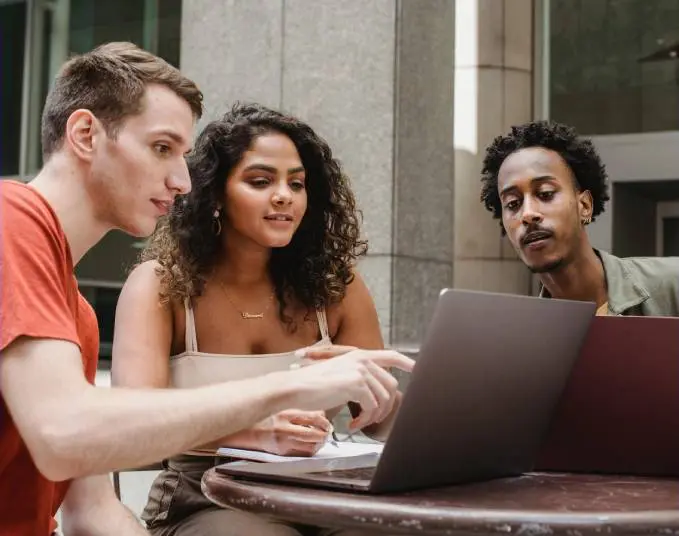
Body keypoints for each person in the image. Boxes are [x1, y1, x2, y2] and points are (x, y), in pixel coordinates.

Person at [0, 43, 413, 536]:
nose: (181, 181)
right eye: (161, 148)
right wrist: (292, 387)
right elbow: (63, 434)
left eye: (183, 156)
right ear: (86, 134)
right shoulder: (11, 217)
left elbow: (92, 513)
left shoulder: (78, 315)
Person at [111, 103, 402, 536]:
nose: (284, 195)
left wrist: (385, 399)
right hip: (204, 497)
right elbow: (131, 424)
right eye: (260, 181)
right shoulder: (161, 285)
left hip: (321, 495)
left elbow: (380, 425)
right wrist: (253, 432)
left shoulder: (336, 287)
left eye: (297, 183)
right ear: (214, 195)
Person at [480, 120, 679, 315]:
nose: (528, 214)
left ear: (584, 205)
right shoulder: (527, 338)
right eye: (513, 204)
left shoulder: (672, 286)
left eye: (545, 194)